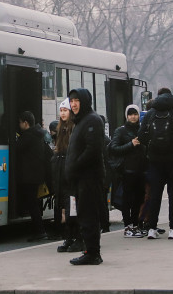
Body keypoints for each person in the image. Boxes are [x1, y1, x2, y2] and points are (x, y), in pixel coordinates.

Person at [138, 88, 173, 240]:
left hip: (155, 160)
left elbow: (141, 136)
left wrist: (151, 146)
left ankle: (152, 229)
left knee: (155, 194)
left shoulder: (150, 114)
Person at [64, 88, 105, 265]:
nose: (73, 104)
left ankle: (93, 253)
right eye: (71, 100)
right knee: (83, 213)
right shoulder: (80, 121)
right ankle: (89, 250)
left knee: (89, 214)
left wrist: (76, 165)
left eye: (76, 100)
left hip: (90, 177)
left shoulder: (92, 120)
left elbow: (93, 150)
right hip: (80, 177)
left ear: (85, 101)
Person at [108, 104, 146, 238]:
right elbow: (114, 148)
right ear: (126, 116)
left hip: (141, 170)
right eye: (130, 114)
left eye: (135, 114)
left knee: (139, 198)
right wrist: (131, 144)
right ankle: (128, 225)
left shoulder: (142, 129)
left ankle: (136, 224)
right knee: (127, 199)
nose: (133, 117)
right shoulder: (121, 131)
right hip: (127, 170)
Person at [53, 98, 84, 252]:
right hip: (62, 175)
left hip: (72, 175)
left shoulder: (75, 129)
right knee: (65, 209)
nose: (63, 113)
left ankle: (78, 239)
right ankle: (68, 238)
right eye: (61, 110)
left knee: (73, 209)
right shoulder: (61, 129)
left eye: (65, 110)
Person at [15, 111, 48, 241]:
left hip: (29, 176)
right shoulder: (38, 134)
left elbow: (17, 148)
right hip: (36, 175)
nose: (19, 125)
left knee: (32, 204)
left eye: (20, 123)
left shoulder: (28, 136)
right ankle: (39, 230)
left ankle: (40, 231)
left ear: (25, 123)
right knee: (34, 203)